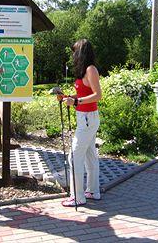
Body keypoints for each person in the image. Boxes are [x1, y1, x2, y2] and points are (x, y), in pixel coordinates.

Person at [61, 39, 102, 207]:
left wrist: (76, 102)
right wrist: (70, 98)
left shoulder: (90, 69)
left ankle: (77, 197)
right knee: (90, 155)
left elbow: (98, 95)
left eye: (74, 51)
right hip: (85, 118)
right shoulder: (83, 71)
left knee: (74, 156)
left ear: (81, 52)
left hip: (87, 118)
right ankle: (93, 191)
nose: (73, 55)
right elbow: (84, 94)